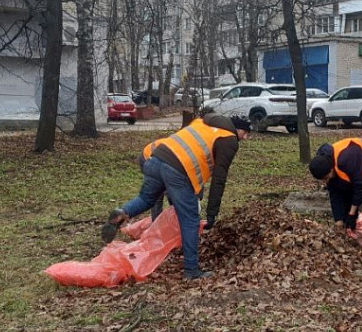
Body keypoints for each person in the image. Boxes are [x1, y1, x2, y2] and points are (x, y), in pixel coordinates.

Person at [101, 114, 252, 280]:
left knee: (146, 199)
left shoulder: (203, 122)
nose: (245, 137)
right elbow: (219, 179)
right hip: (177, 170)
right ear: (237, 128)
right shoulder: (229, 139)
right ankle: (192, 271)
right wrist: (212, 213)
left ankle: (123, 212)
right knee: (190, 221)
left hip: (156, 157)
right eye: (245, 132)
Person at [308, 138, 362, 258]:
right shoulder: (326, 163)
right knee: (342, 189)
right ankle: (356, 233)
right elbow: (335, 194)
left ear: (331, 168)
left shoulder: (346, 158)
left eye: (326, 177)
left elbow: (361, 185)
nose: (326, 180)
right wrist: (339, 220)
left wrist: (352, 212)